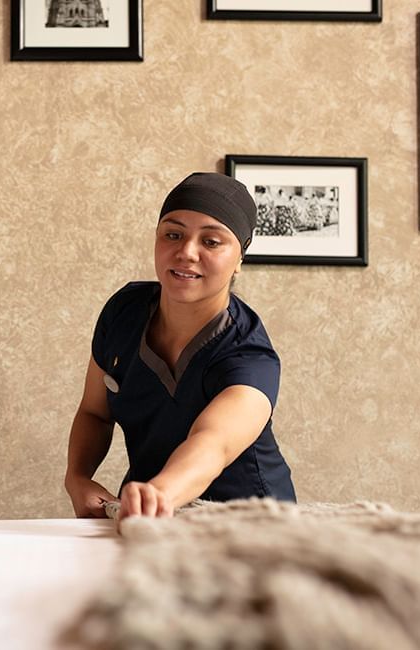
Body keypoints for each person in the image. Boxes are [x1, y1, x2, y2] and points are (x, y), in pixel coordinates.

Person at [64, 173, 296, 521]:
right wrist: (78, 477)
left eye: (212, 242)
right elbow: (95, 412)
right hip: (152, 514)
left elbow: (213, 444)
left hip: (249, 523)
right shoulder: (124, 312)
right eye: (173, 234)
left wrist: (160, 494)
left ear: (241, 257)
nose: (186, 252)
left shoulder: (248, 356)